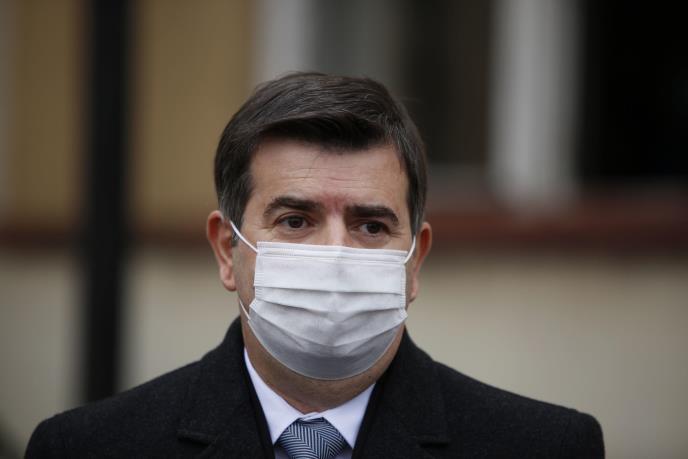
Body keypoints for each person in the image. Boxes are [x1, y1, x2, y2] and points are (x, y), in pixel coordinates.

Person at [26, 72, 604, 458]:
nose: (335, 254)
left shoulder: (545, 447)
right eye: (295, 220)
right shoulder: (88, 448)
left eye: (371, 226)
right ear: (227, 249)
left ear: (415, 261)